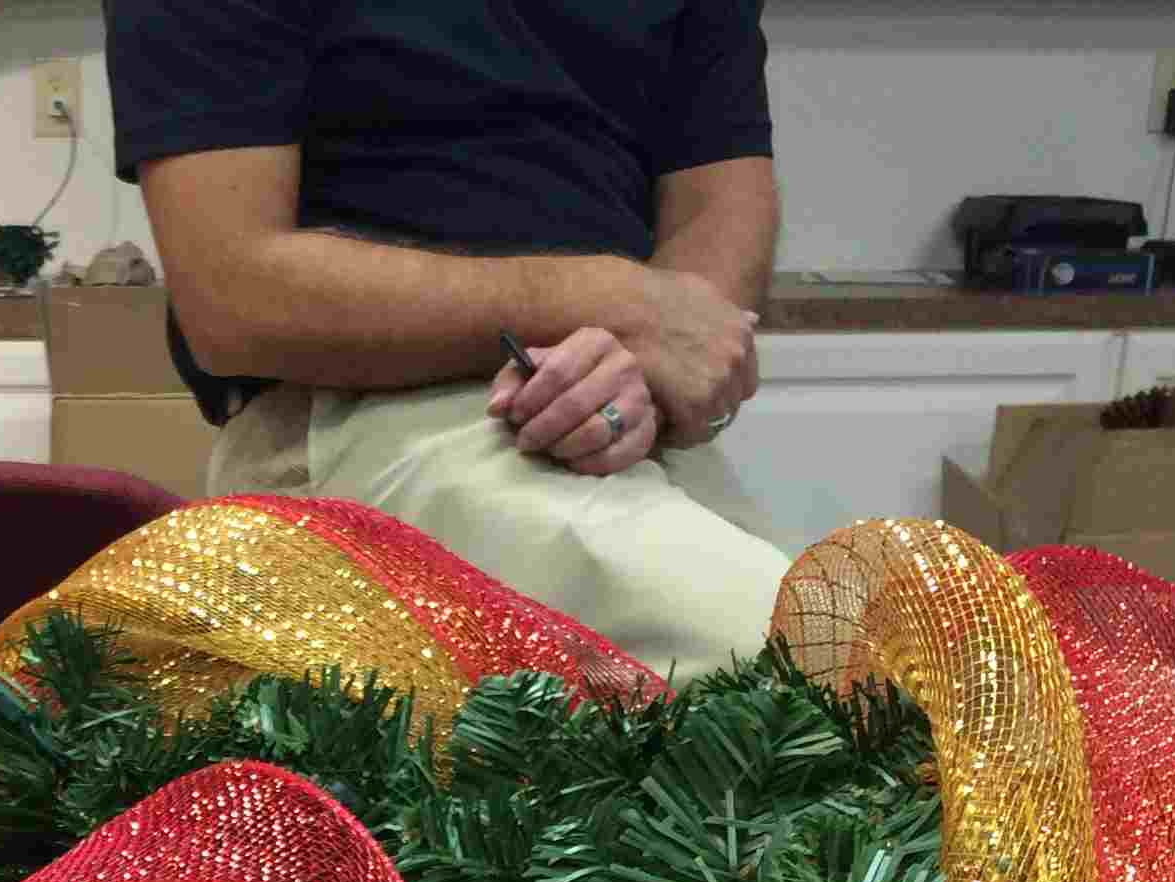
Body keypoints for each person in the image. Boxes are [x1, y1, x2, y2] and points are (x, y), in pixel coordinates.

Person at [106, 0, 788, 678]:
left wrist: (657, 360)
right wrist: (613, 302)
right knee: (798, 676)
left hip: (627, 410)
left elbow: (719, 189)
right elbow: (235, 295)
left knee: (850, 651)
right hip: (353, 417)